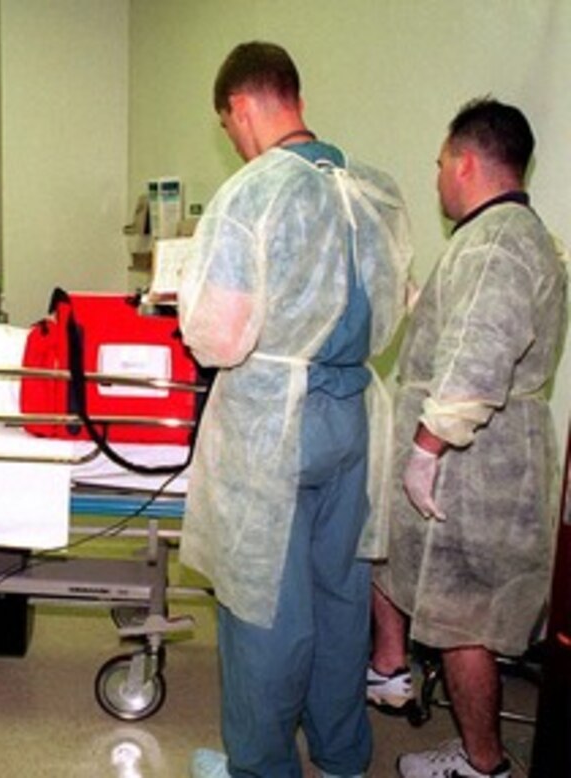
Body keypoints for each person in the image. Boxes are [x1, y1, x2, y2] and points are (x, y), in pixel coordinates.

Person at [176, 42, 410, 777]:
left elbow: (220, 336)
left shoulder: (252, 195)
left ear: (242, 107)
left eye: (229, 127)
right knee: (340, 594)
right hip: (352, 417)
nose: (233, 142)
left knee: (264, 610)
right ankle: (342, 757)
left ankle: (261, 766)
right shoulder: (377, 190)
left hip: (273, 425)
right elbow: (399, 304)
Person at [368, 99, 568, 778]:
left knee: (465, 622)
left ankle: (484, 764)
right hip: (471, 455)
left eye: (438, 165)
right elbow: (465, 331)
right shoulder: (496, 240)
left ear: (466, 162)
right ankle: (390, 669)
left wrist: (426, 453)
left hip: (472, 467)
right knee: (410, 577)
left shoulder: (498, 242)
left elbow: (477, 361)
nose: (436, 181)